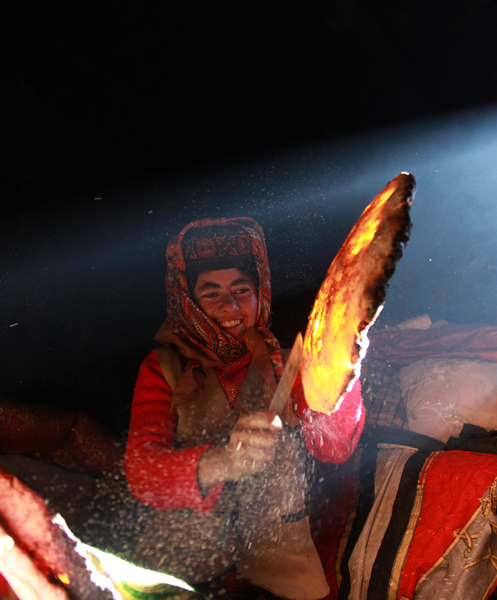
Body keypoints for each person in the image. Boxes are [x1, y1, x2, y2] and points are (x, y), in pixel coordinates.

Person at [125, 217, 365, 600]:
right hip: (182, 566)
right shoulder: (164, 368)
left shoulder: (292, 365)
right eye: (210, 293)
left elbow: (334, 448)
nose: (231, 305)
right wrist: (224, 462)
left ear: (260, 294)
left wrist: (341, 377)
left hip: (283, 567)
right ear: (186, 300)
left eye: (242, 288)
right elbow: (141, 471)